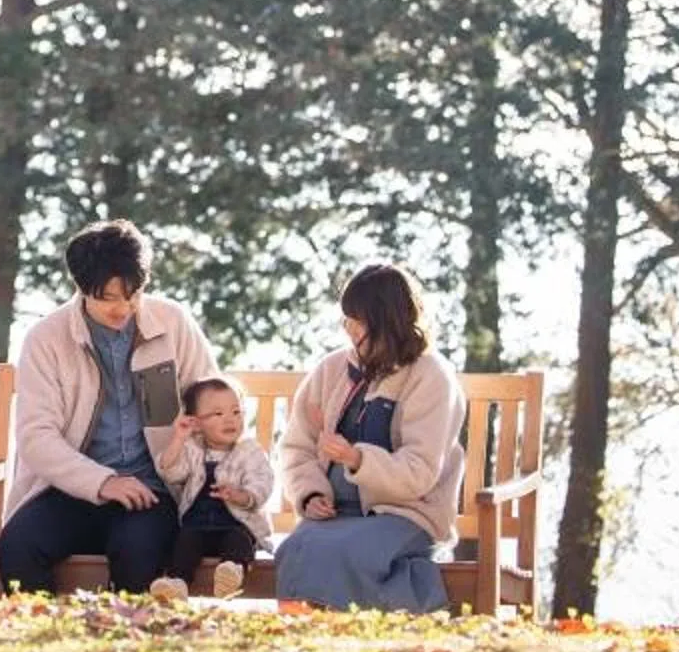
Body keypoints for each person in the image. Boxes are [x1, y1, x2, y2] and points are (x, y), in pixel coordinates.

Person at [0, 218, 220, 594]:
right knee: (17, 549)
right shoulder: (46, 339)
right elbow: (36, 438)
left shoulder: (172, 323)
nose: (123, 308)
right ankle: (45, 645)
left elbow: (212, 400)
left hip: (153, 491)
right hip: (68, 489)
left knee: (140, 554)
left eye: (132, 295)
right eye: (108, 298)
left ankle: (126, 650)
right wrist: (104, 482)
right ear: (82, 289)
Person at [272, 262, 464, 612]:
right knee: (295, 548)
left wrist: (356, 459)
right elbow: (297, 447)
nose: (348, 329)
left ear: (384, 321)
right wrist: (310, 493)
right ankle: (302, 638)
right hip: (335, 515)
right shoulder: (332, 370)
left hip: (405, 514)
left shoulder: (431, 376)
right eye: (346, 319)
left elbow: (421, 471)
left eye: (356, 321)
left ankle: (344, 635)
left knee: (342, 551)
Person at [148, 375, 273, 599]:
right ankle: (177, 582)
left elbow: (263, 482)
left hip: (237, 522)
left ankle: (232, 571)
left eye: (236, 412)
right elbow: (170, 472)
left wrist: (242, 495)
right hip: (198, 527)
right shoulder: (193, 448)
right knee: (185, 541)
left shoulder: (249, 451)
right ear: (196, 422)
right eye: (218, 414)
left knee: (239, 540)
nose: (230, 420)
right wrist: (178, 438)